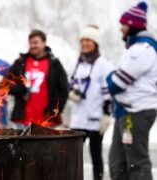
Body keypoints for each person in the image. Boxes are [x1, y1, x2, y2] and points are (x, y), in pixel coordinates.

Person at [107, 1, 157, 180]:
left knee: (137, 163)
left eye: (123, 25)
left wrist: (110, 77)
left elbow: (116, 83)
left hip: (135, 113)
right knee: (117, 163)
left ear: (133, 25)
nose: (121, 29)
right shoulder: (135, 49)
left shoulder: (142, 50)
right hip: (126, 112)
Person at [68, 25, 114, 180]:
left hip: (95, 119)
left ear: (95, 43)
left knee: (95, 156)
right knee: (72, 158)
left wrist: (107, 115)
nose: (84, 43)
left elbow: (110, 93)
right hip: (77, 119)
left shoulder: (104, 64)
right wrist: (71, 92)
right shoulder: (79, 63)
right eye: (82, 40)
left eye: (88, 40)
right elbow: (71, 83)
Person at [6, 30, 68, 128]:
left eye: (36, 42)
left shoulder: (54, 63)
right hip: (23, 120)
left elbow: (64, 90)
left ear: (44, 43)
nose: (33, 45)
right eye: (30, 43)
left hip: (46, 120)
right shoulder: (21, 61)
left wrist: (56, 110)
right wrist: (21, 88)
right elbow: (6, 84)